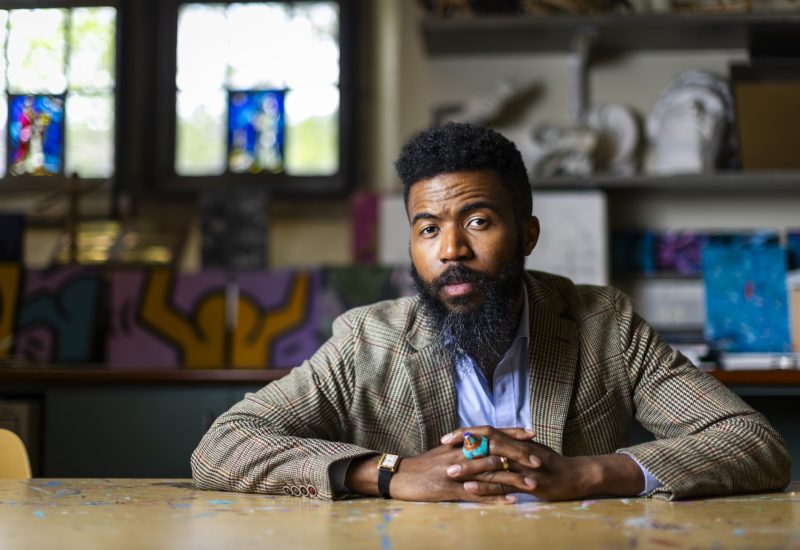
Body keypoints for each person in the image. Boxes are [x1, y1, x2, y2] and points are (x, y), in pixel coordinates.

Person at [191, 122, 791, 503]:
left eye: (477, 221)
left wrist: (585, 475)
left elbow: (753, 443)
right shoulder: (366, 341)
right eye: (428, 229)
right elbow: (222, 445)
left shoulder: (604, 323)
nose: (451, 249)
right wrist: (388, 473)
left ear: (526, 234)